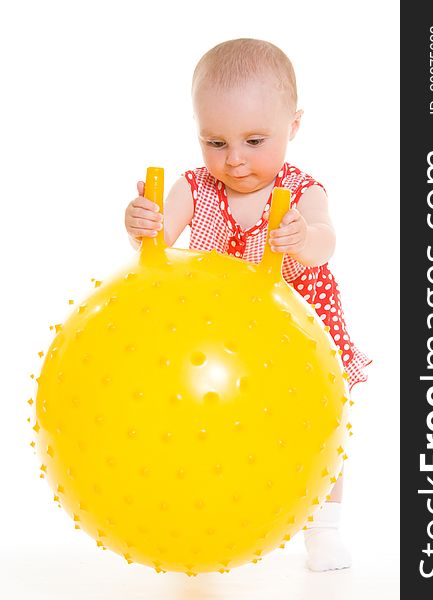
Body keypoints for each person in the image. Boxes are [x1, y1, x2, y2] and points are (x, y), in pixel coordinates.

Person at [124, 38, 370, 572]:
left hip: (293, 338)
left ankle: (323, 528)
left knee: (318, 425)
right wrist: (141, 222)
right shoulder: (194, 188)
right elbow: (158, 243)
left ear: (294, 127)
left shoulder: (300, 191)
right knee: (211, 425)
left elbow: (327, 239)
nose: (234, 160)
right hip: (219, 342)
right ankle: (208, 511)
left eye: (255, 140)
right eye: (215, 142)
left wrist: (303, 239)